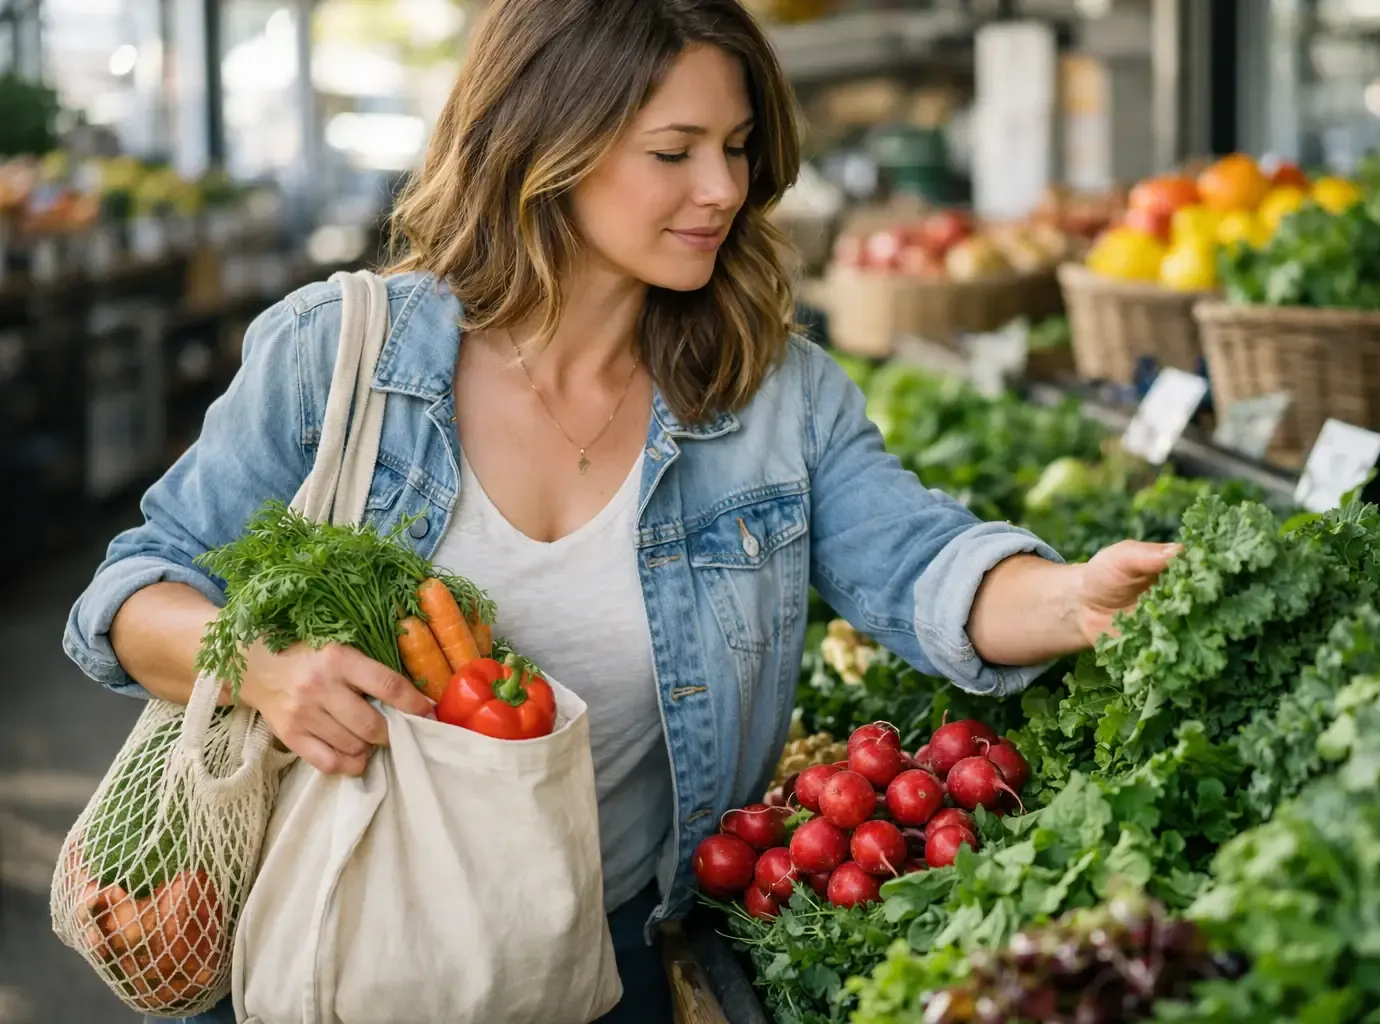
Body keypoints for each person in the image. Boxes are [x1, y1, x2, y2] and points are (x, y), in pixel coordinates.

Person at [62, 0, 1179, 1021]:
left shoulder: (769, 396)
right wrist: (260, 666)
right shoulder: (339, 356)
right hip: (337, 941)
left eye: (738, 149)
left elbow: (924, 562)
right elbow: (128, 595)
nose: (725, 189)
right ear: (547, 145)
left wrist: (1074, 596)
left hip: (602, 969)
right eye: (674, 152)